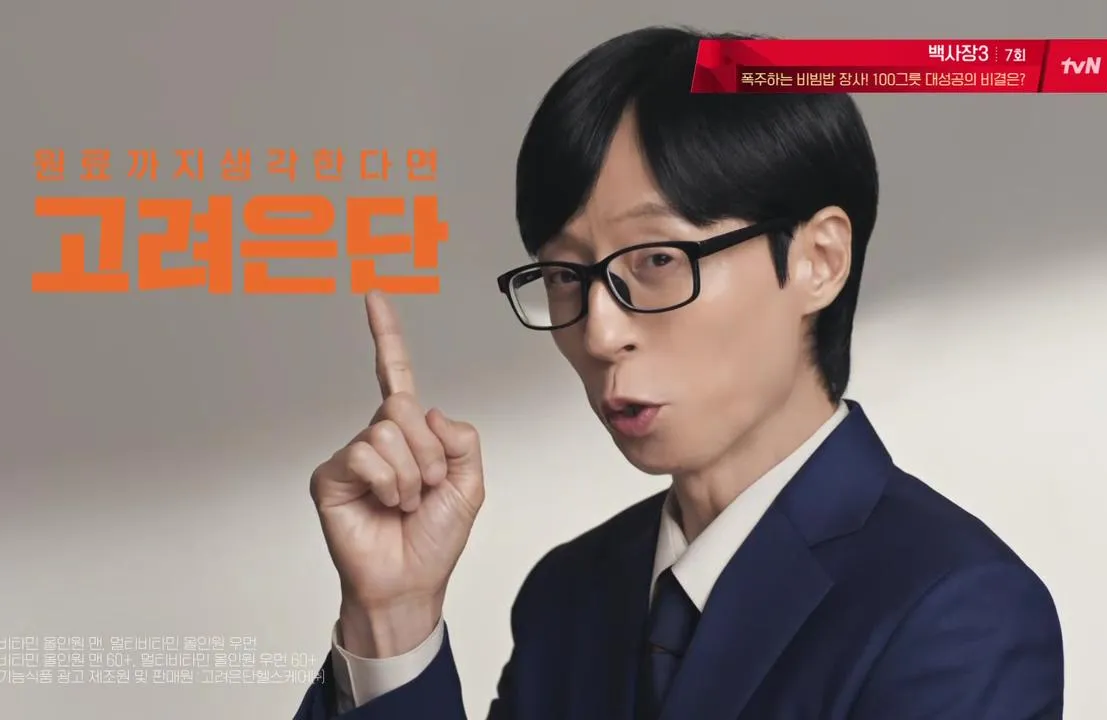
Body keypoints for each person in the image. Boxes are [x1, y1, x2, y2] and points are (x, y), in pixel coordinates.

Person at [295, 26, 1064, 720]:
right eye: (563, 275)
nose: (601, 332)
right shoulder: (569, 596)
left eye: (657, 259)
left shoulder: (954, 609)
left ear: (819, 260)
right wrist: (392, 616)